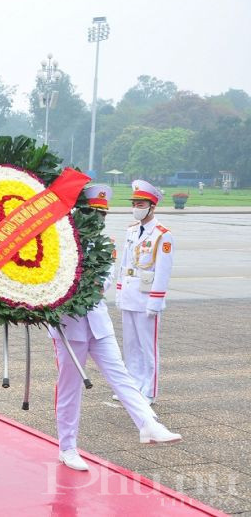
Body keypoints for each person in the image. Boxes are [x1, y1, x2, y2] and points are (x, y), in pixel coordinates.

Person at [50, 185, 181, 472]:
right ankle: (67, 447)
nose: (98, 217)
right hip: (68, 327)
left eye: (102, 213)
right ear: (79, 211)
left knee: (121, 375)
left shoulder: (104, 243)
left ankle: (148, 424)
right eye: (93, 212)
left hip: (97, 322)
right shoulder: (57, 242)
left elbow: (105, 280)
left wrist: (89, 285)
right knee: (70, 388)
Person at [116, 179, 174, 404]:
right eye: (135, 203)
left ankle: (148, 390)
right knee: (130, 346)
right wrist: (120, 292)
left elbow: (163, 271)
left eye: (141, 204)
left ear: (152, 206)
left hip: (147, 297)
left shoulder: (162, 235)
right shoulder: (131, 231)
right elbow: (124, 265)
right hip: (130, 294)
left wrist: (155, 301)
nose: (136, 208)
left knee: (147, 347)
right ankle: (133, 387)